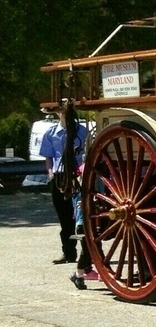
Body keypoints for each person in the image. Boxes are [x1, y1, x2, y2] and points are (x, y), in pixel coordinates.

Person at [38, 102, 93, 289]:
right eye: (60, 113)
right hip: (60, 175)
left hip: (77, 173)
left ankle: (84, 255)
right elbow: (48, 155)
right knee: (63, 216)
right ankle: (68, 252)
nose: (62, 115)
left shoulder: (81, 131)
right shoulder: (51, 133)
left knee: (79, 213)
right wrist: (50, 172)